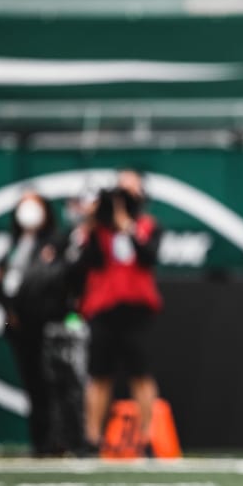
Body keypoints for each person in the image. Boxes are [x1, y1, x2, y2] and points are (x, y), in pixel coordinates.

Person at [76, 170, 163, 455]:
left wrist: (127, 225)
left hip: (136, 310)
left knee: (141, 374)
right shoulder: (96, 231)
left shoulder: (147, 226)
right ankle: (92, 439)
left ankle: (147, 437)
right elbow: (90, 263)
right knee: (99, 375)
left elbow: (149, 256)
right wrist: (91, 221)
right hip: (103, 308)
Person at [0, 191, 66, 456]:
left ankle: (55, 439)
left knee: (51, 384)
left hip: (45, 324)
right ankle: (40, 441)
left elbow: (55, 283)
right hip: (18, 326)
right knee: (32, 384)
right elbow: (2, 283)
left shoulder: (53, 244)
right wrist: (8, 310)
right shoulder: (13, 246)